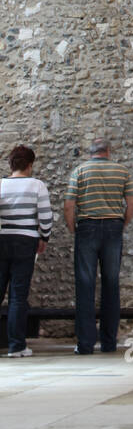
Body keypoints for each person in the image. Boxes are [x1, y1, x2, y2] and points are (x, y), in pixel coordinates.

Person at [65, 138, 133, 355]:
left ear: (91, 152)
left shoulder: (80, 171)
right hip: (113, 226)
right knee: (111, 283)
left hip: (87, 226)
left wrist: (72, 229)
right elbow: (132, 203)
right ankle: (109, 343)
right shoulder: (122, 171)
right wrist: (122, 222)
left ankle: (86, 344)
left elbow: (69, 205)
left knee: (85, 284)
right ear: (108, 150)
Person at [0, 145, 53, 357]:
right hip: (26, 242)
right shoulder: (36, 186)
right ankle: (17, 346)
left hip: (2, 240)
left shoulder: (1, 185)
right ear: (30, 165)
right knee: (18, 296)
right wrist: (44, 237)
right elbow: (45, 216)